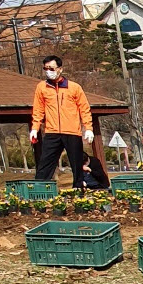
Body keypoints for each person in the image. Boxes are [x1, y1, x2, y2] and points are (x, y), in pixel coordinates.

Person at [31, 55, 94, 190]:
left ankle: (78, 189)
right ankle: (39, 190)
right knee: (45, 163)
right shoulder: (42, 87)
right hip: (52, 131)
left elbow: (84, 108)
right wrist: (35, 128)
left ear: (60, 69)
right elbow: (38, 109)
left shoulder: (74, 87)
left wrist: (88, 128)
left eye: (51, 68)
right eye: (45, 68)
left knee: (76, 163)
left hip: (72, 131)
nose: (48, 71)